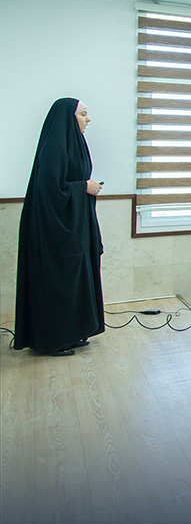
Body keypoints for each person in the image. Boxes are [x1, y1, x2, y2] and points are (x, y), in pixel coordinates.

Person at [15, 98, 104, 357]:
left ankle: (73, 333)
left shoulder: (75, 144)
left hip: (74, 227)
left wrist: (85, 187)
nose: (88, 119)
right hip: (54, 231)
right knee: (59, 281)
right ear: (68, 118)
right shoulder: (54, 147)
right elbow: (50, 190)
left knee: (76, 279)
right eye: (83, 114)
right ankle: (53, 340)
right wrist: (84, 187)